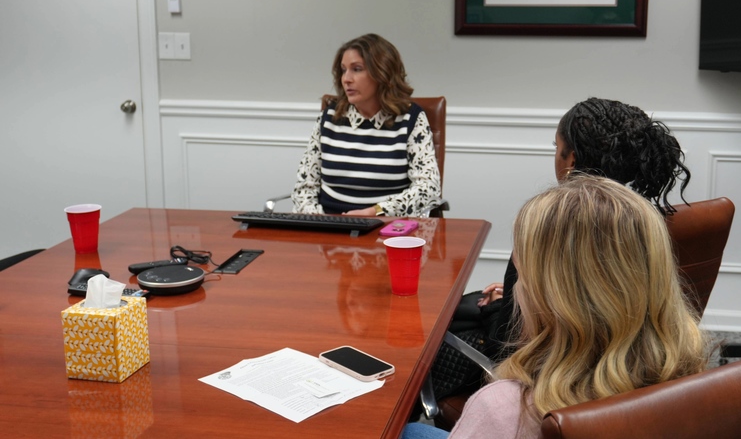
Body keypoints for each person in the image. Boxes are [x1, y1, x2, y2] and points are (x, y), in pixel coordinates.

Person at [428, 97, 693, 406]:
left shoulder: (546, 231)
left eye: (556, 147)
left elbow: (510, 344)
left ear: (571, 160)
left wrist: (497, 309)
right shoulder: (643, 221)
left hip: (549, 384)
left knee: (449, 318)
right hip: (628, 374)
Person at [403, 175, 709, 438]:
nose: (515, 288)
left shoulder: (505, 410)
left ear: (552, 301)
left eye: (520, 276)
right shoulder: (693, 378)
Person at [291, 33, 441, 216]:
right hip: (329, 230)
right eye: (344, 70)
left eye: (357, 69)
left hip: (386, 228)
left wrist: (376, 212)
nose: (346, 79)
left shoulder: (410, 119)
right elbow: (304, 187)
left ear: (382, 73)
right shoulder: (329, 117)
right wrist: (322, 222)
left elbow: (428, 189)